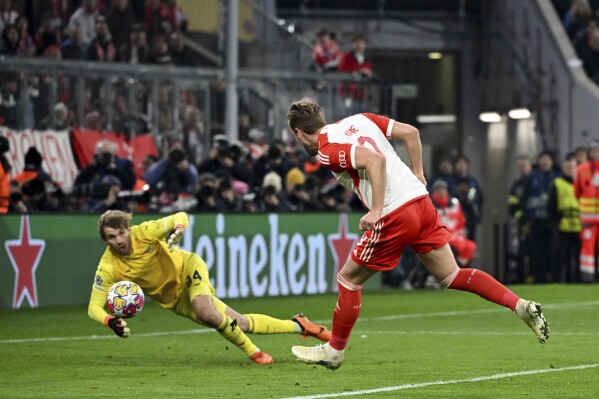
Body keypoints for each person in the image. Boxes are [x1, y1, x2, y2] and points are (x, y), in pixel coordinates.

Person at [286, 100, 549, 370]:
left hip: (394, 211)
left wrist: (376, 210)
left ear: (299, 133)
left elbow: (375, 161)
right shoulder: (360, 119)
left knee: (348, 279)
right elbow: (411, 133)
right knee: (451, 275)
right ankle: (520, 306)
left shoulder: (327, 150)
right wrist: (418, 174)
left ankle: (334, 350)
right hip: (421, 202)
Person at [88, 210, 331, 364]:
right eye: (111, 237)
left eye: (121, 232)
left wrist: (179, 229)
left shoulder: (143, 233)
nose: (119, 240)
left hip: (188, 268)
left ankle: (254, 352)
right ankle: (299, 324)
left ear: (128, 229)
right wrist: (110, 321)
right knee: (241, 322)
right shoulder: (108, 266)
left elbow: (179, 216)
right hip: (175, 300)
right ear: (105, 240)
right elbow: (94, 308)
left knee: (206, 311)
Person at [548, 153, 581, 283]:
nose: (570, 169)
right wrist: (555, 224)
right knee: (563, 256)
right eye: (567, 166)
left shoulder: (582, 182)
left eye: (572, 166)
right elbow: (551, 206)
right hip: (563, 225)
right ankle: (562, 280)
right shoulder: (557, 183)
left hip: (580, 225)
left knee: (579, 257)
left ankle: (577, 280)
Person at [574, 139, 599, 282]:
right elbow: (576, 191)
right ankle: (587, 277)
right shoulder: (581, 169)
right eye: (593, 151)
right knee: (587, 249)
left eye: (597, 150)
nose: (595, 153)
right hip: (588, 219)